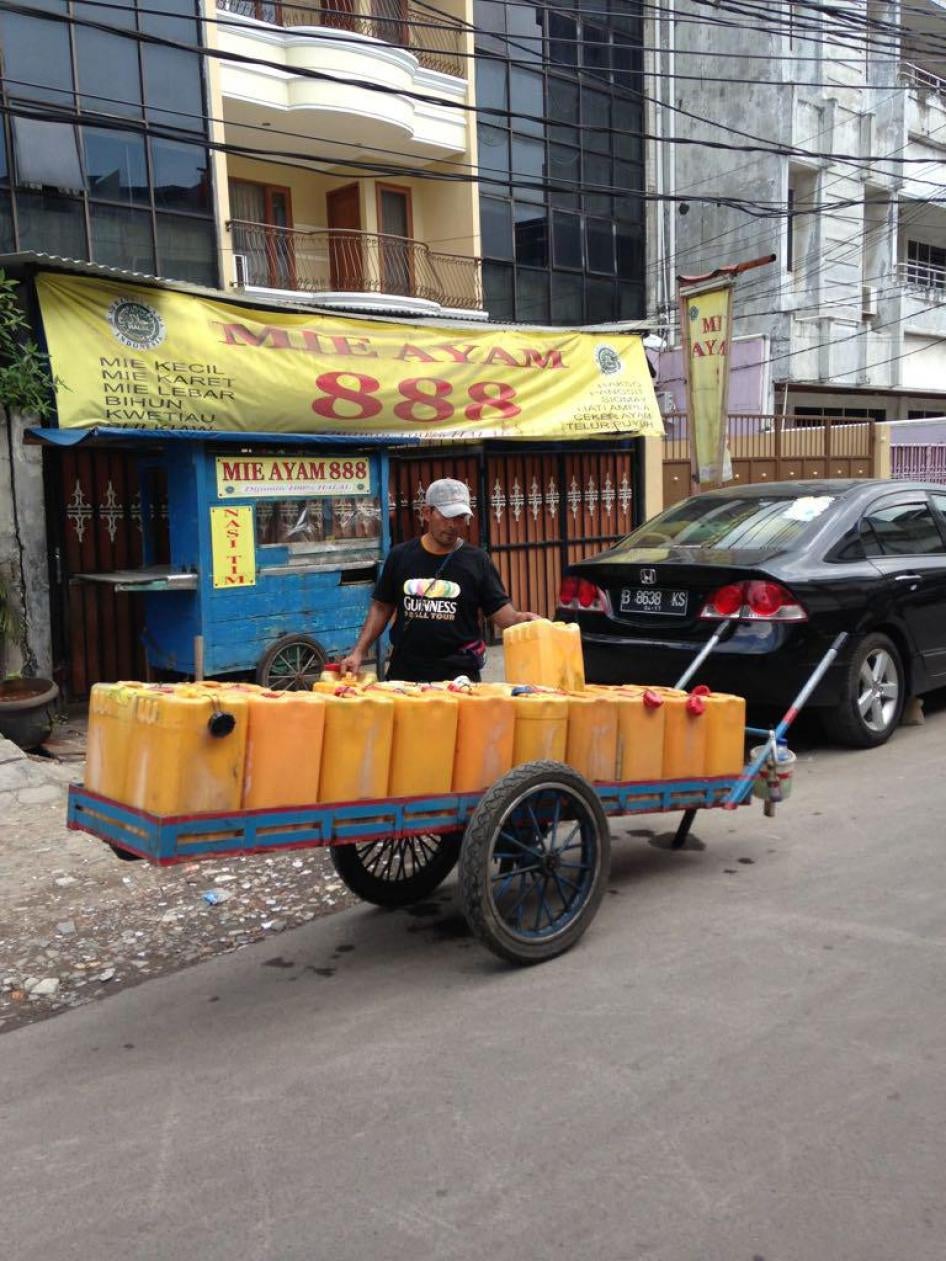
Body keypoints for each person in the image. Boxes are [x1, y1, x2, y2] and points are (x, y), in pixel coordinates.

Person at [340, 477, 539, 683]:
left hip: (460, 676)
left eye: (460, 517)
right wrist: (359, 652)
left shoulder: (477, 561)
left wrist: (521, 620)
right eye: (446, 517)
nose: (453, 525)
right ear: (427, 513)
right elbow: (381, 607)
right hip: (406, 673)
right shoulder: (401, 556)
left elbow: (500, 613)